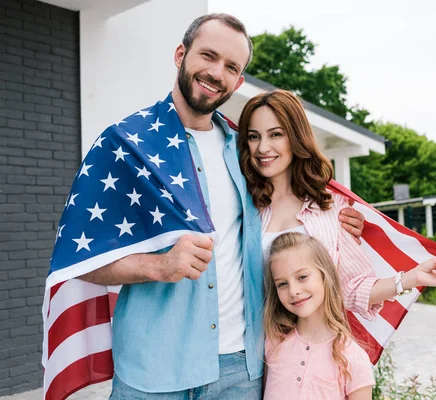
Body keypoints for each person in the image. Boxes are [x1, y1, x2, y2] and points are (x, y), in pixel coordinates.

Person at [44, 13, 365, 400]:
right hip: (153, 370)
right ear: (181, 53)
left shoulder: (245, 151)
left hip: (241, 369)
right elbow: (78, 258)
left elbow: (289, 193)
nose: (216, 72)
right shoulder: (125, 144)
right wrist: (159, 265)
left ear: (239, 81)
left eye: (231, 66)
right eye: (208, 56)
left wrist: (337, 217)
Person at [237, 89, 436, 322]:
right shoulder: (239, 205)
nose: (262, 147)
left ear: (295, 137)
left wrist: (411, 278)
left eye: (275, 134)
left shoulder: (332, 208)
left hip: (311, 348)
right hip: (245, 347)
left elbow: (350, 289)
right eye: (254, 137)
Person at [263, 232, 375, 400]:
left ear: (325, 275)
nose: (294, 291)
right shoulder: (274, 342)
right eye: (283, 284)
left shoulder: (351, 357)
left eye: (302, 277)